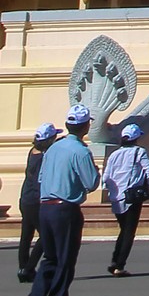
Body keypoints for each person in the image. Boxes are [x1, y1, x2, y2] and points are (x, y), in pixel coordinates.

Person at [29, 106, 97, 295]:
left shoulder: (53, 148)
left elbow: (41, 178)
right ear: (86, 127)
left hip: (45, 208)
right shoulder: (80, 151)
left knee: (50, 258)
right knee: (65, 260)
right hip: (65, 209)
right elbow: (91, 183)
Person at [101, 122, 149, 277]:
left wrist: (108, 189)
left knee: (123, 229)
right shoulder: (139, 152)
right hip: (132, 196)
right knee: (129, 231)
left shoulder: (114, 154)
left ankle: (115, 260)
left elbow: (106, 176)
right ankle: (119, 265)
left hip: (116, 195)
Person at [16, 122, 55, 282]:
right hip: (37, 199)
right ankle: (29, 267)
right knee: (46, 235)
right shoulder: (46, 156)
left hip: (25, 198)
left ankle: (23, 268)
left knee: (26, 235)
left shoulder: (32, 152)